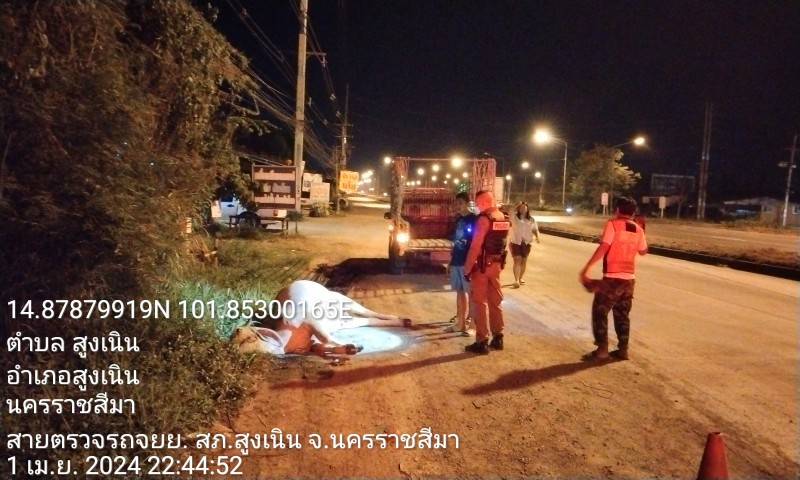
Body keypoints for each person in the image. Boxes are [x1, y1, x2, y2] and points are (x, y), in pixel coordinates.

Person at [232, 280, 412, 356]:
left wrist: (334, 344)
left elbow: (320, 336)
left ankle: (386, 318)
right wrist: (337, 349)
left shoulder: (295, 320)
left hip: (313, 295)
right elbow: (314, 344)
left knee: (357, 314)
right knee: (350, 321)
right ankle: (392, 320)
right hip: (308, 302)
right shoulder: (291, 342)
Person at [579, 197, 648, 361]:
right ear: (633, 212)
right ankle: (623, 350)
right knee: (622, 314)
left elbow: (604, 247)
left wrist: (586, 268)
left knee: (600, 311)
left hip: (612, 278)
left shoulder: (613, 225)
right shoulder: (638, 229)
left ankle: (602, 350)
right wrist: (642, 230)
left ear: (617, 210)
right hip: (629, 280)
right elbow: (643, 251)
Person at [463, 190, 510, 354]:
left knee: (479, 303)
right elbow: (502, 243)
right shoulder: (503, 217)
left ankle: (481, 340)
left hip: (482, 267)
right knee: (495, 301)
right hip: (496, 265)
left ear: (484, 202)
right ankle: (498, 337)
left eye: (477, 203)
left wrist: (467, 269)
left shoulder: (484, 219)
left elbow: (475, 246)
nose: (476, 206)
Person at [445, 192, 477, 336]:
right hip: (457, 261)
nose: (457, 206)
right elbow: (456, 243)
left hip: (467, 263)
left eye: (460, 203)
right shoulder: (458, 220)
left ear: (467, 204)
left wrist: (471, 263)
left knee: (471, 294)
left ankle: (473, 325)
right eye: (456, 203)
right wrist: (450, 261)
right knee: (459, 292)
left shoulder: (474, 220)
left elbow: (475, 243)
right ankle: (460, 323)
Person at [509, 201, 541, 288]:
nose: (523, 209)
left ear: (527, 209)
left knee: (523, 261)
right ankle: (516, 280)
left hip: (526, 243)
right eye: (521, 207)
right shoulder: (514, 217)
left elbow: (535, 230)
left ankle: (520, 278)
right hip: (515, 242)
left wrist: (537, 237)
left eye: (524, 207)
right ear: (518, 209)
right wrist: (517, 204)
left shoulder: (531, 220)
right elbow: (510, 211)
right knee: (517, 260)